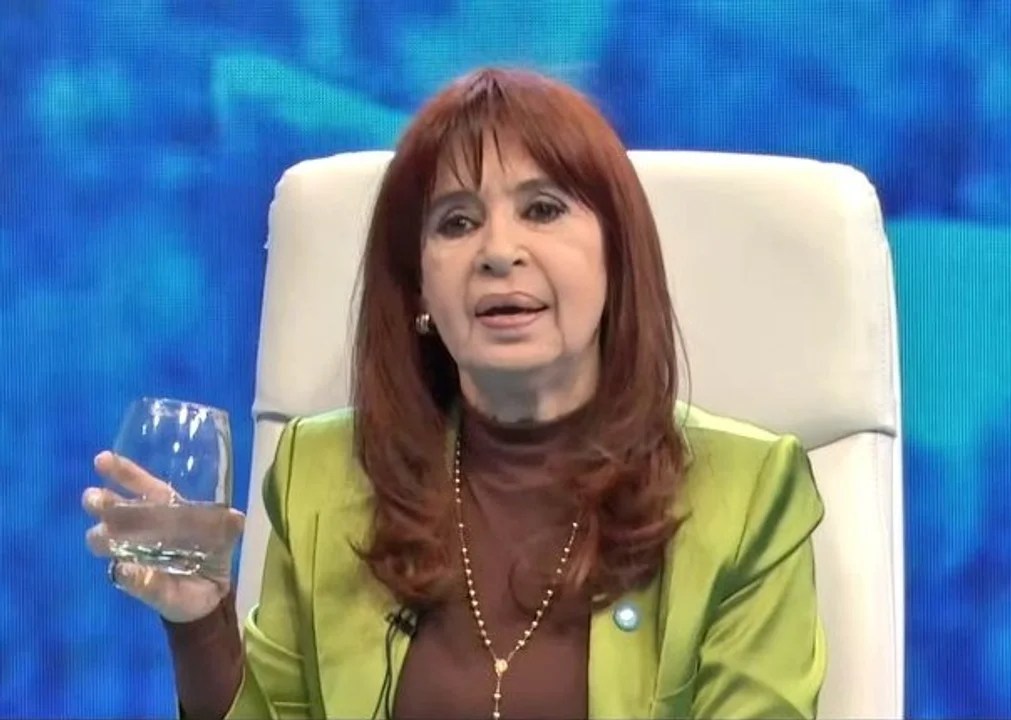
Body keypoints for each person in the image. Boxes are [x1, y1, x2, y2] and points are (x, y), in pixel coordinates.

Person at [83, 67, 826, 719]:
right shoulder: (322, 476)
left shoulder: (746, 494)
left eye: (542, 209)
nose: (498, 252)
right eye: (457, 222)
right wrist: (200, 620)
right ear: (419, 289)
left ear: (616, 257)